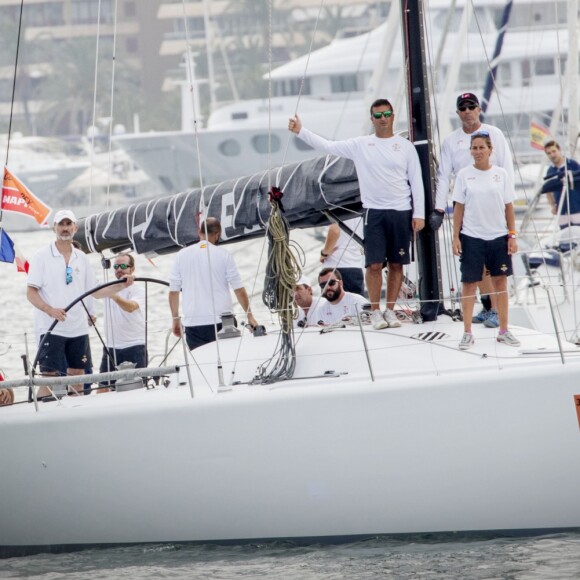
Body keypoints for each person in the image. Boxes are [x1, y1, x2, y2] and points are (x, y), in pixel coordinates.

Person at [289, 98, 425, 330]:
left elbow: (416, 182)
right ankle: (375, 312)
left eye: (386, 114)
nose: (383, 119)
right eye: (378, 116)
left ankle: (390, 311)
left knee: (396, 265)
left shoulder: (405, 147)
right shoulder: (361, 144)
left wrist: (419, 214)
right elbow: (329, 146)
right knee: (373, 265)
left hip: (401, 211)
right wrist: (301, 131)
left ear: (393, 116)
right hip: (374, 212)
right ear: (372, 119)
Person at [431, 92, 515, 329]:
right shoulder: (450, 141)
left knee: (492, 265)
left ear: (478, 109)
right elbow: (443, 175)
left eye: (471, 106)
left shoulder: (494, 134)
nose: (467, 111)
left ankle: (496, 310)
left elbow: (506, 168)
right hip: (465, 203)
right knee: (475, 262)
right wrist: (438, 209)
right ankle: (490, 308)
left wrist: (508, 208)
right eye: (463, 108)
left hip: (493, 202)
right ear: (458, 113)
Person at [26, 209, 130, 398]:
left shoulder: (81, 257)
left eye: (68, 224)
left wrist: (121, 286)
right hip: (52, 327)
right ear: (54, 228)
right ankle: (43, 415)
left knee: (78, 375)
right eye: (61, 224)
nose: (65, 228)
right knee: (48, 377)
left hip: (78, 328)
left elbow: (96, 291)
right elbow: (31, 293)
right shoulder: (41, 256)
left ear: (75, 227)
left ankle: (76, 412)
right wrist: (50, 310)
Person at [452, 131, 520, 350]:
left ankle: (504, 330)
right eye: (474, 148)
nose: (478, 152)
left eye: (482, 147)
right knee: (469, 284)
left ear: (491, 150)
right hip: (472, 236)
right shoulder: (464, 175)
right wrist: (455, 237)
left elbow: (509, 206)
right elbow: (459, 207)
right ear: (470, 151)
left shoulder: (501, 174)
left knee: (500, 282)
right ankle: (467, 332)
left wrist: (512, 235)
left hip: (498, 236)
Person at [169, 217, 258, 350]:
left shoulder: (181, 255)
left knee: (202, 366)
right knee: (227, 365)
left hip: (194, 324)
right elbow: (238, 289)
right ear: (217, 235)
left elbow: (173, 292)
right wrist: (250, 316)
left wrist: (175, 319)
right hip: (223, 322)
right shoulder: (224, 255)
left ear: (199, 232)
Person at [99, 253, 147, 388]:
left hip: (134, 346)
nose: (119, 269)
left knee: (136, 388)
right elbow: (94, 294)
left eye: (123, 266)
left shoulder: (138, 289)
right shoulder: (108, 287)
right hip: (110, 347)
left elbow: (130, 307)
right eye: (116, 267)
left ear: (132, 269)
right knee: (103, 389)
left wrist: (113, 295)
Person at [319, 217, 365, 296]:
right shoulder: (358, 209)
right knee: (355, 305)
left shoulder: (333, 206)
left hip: (335, 267)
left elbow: (335, 230)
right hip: (355, 267)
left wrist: (324, 252)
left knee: (333, 307)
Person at [543, 140, 580, 228]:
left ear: (559, 150)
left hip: (577, 209)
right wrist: (552, 205)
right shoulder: (550, 171)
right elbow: (548, 190)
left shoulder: (573, 165)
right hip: (562, 211)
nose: (552, 155)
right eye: (549, 153)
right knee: (564, 237)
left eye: (554, 151)